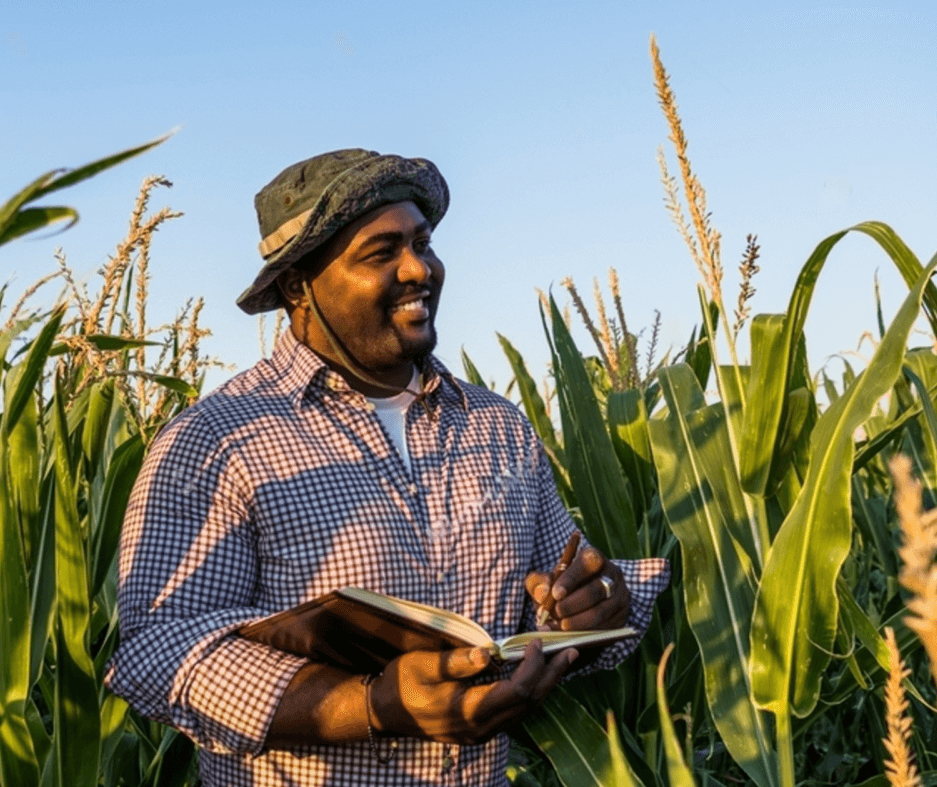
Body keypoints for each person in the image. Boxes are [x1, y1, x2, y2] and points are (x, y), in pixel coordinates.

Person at [106, 149, 670, 786]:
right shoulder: (217, 441)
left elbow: (558, 589)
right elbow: (160, 653)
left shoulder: (498, 426)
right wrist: (373, 705)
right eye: (381, 252)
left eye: (423, 243)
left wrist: (592, 606)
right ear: (298, 286)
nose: (418, 269)